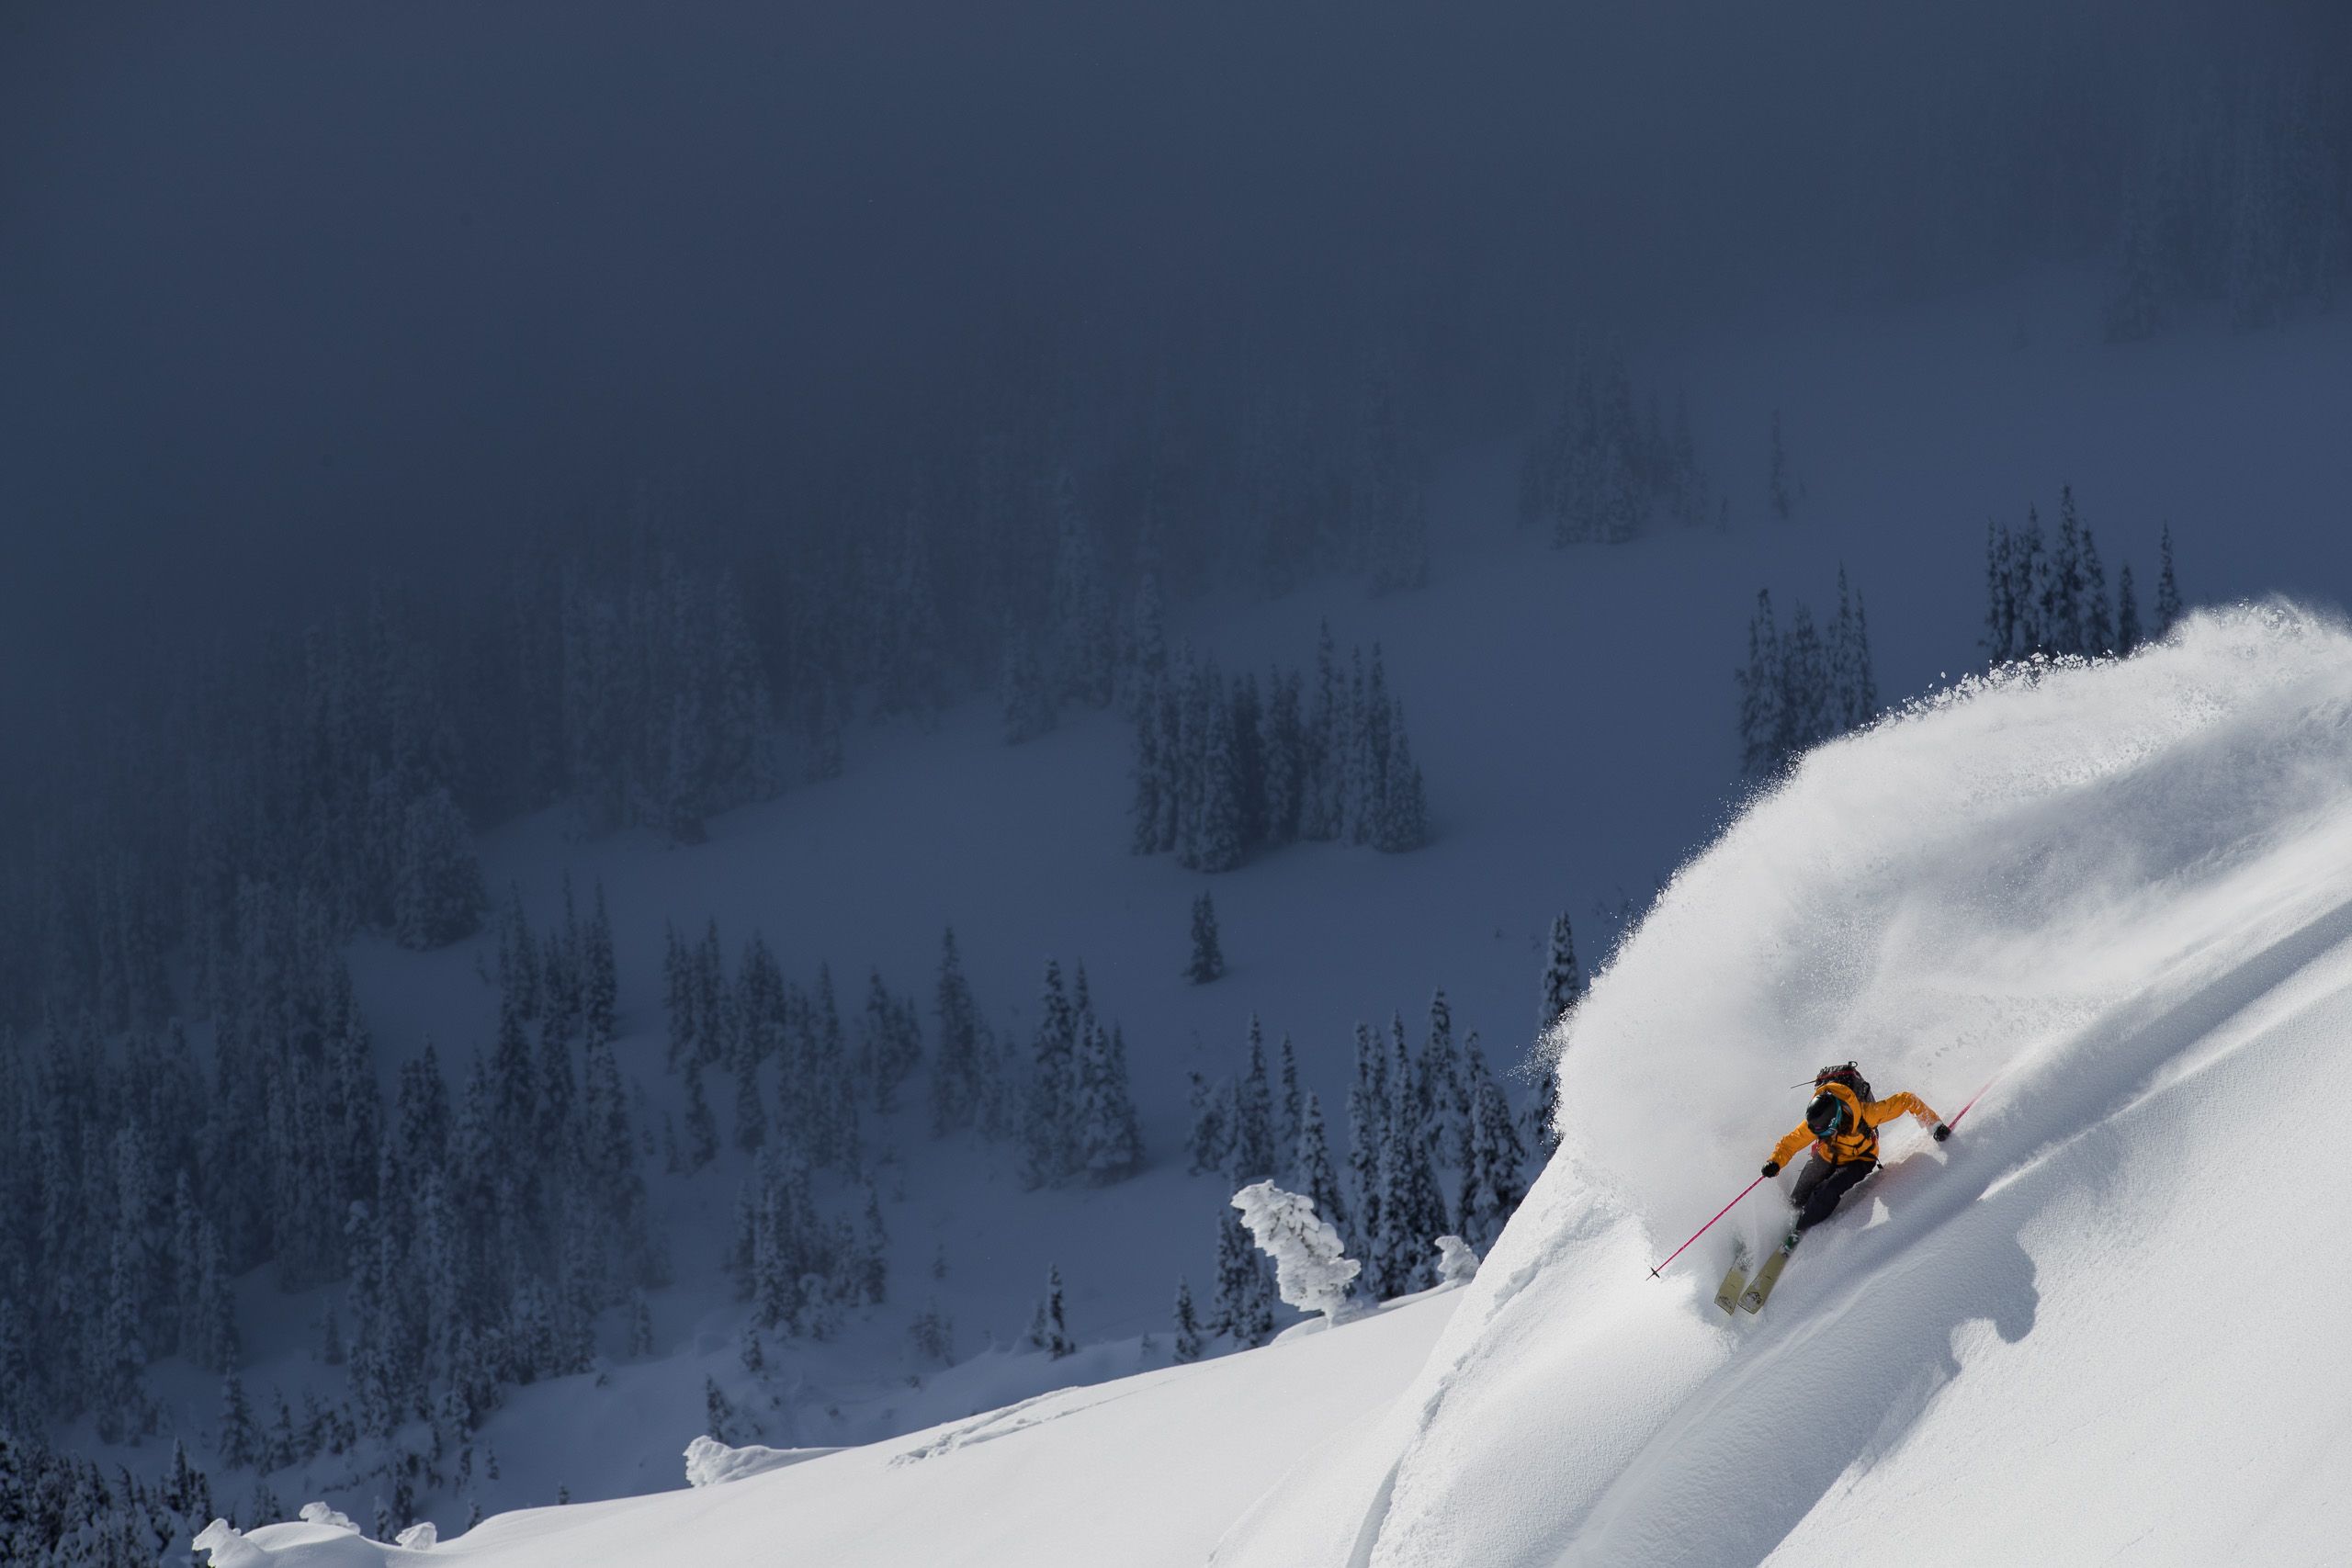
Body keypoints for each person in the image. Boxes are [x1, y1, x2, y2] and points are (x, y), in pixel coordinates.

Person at [1759, 1066, 1949, 1252]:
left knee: (1829, 1190)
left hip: (1861, 1158)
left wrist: (1935, 1125)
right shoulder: (1815, 1121)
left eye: (1825, 1132)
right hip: (1828, 1155)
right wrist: (1775, 1162)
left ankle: (1800, 1229)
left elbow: (1907, 1100)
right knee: (1800, 1194)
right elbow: (1790, 1143)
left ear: (1835, 1121)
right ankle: (1792, 1216)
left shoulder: (1868, 1114)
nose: (1821, 1135)